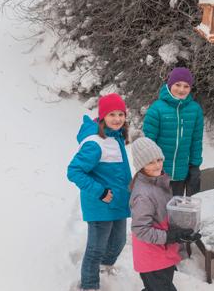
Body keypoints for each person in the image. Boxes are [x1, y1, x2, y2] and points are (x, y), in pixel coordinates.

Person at [67, 93, 132, 291]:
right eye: (112, 114)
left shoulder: (116, 135)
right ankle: (89, 284)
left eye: (121, 114)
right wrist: (100, 191)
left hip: (117, 202)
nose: (117, 119)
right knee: (96, 248)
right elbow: (74, 171)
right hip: (100, 203)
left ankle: (104, 268)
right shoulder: (95, 142)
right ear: (102, 116)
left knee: (119, 241)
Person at [129, 136, 200, 291]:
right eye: (150, 162)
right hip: (152, 258)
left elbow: (163, 214)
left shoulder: (158, 181)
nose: (157, 165)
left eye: (159, 159)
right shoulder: (143, 195)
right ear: (141, 165)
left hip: (162, 252)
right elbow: (140, 229)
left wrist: (183, 228)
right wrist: (170, 236)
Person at [142, 67, 204, 197]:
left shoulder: (195, 110)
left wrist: (194, 166)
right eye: (177, 85)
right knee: (158, 213)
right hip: (159, 174)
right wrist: (150, 169)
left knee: (176, 213)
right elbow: (148, 144)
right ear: (170, 85)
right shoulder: (157, 109)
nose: (181, 89)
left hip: (181, 175)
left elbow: (196, 141)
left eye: (186, 86)